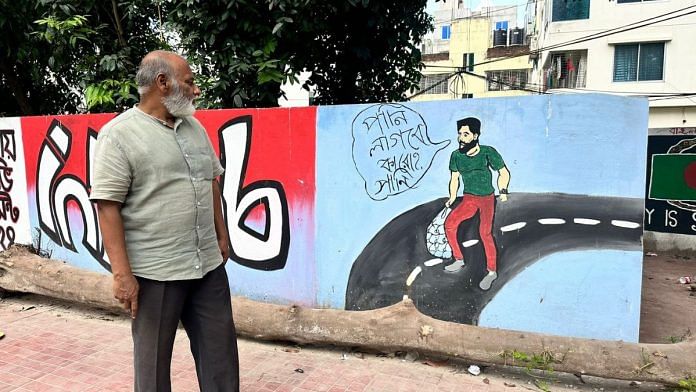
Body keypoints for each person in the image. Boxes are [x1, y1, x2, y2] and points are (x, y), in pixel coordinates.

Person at [90, 50, 239, 391]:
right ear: (163, 83)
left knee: (222, 362)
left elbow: (211, 181)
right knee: (153, 369)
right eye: (189, 82)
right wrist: (122, 275)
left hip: (207, 267)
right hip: (156, 275)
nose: (196, 90)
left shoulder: (194, 127)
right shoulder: (119, 135)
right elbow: (107, 205)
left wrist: (222, 235)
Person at [443, 117, 510, 291]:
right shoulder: (456, 156)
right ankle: (458, 259)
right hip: (469, 199)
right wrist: (452, 197)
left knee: (485, 233)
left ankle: (491, 272)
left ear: (475, 135)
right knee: (450, 224)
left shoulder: (487, 152)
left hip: (487, 199)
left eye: (465, 134)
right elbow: (454, 178)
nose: (461, 138)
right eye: (459, 134)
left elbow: (503, 172)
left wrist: (502, 191)